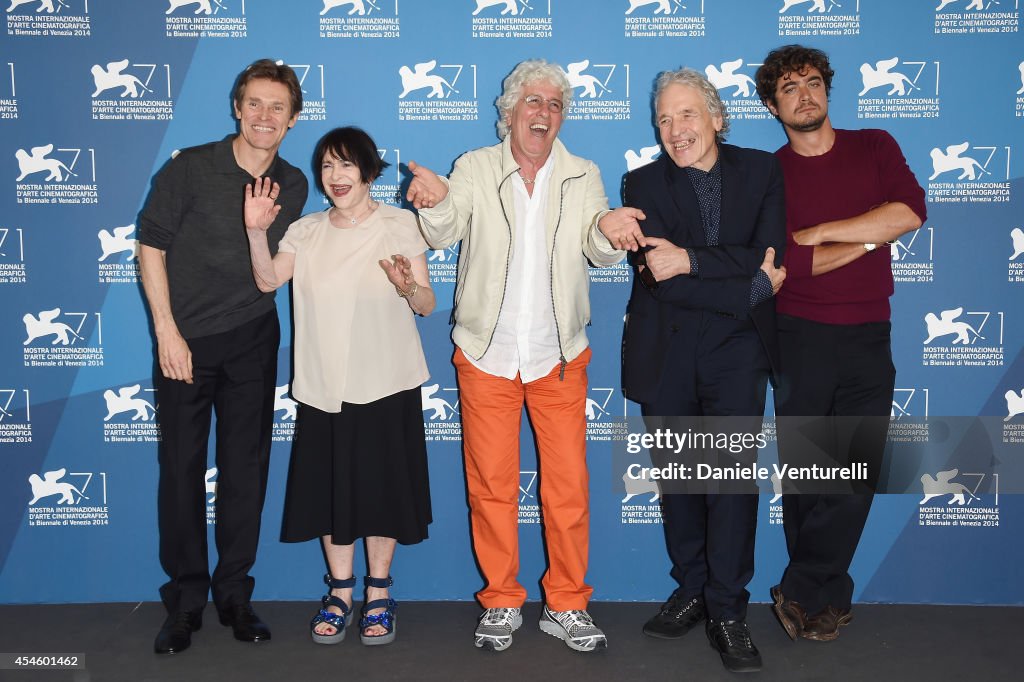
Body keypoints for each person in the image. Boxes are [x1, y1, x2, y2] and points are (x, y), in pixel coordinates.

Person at [406, 58, 643, 653]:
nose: (543, 113)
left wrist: (612, 232)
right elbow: (443, 230)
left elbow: (597, 244)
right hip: (487, 355)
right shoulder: (475, 167)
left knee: (567, 489)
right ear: (510, 111)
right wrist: (433, 202)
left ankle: (567, 602)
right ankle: (502, 599)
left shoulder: (582, 171)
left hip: (559, 357)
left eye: (555, 104)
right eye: (533, 102)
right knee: (491, 487)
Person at [754, 45, 926, 642]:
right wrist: (867, 236)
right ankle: (826, 601)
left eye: (811, 82)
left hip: (867, 334)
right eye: (788, 88)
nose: (804, 94)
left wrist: (826, 231)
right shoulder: (769, 172)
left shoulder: (874, 146)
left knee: (855, 468)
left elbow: (906, 214)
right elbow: (790, 264)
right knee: (806, 477)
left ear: (826, 88)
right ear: (773, 106)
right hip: (797, 335)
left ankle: (800, 587)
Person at [138, 59, 308, 655]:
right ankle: (185, 602)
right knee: (181, 469)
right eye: (255, 104)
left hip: (252, 339)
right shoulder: (190, 167)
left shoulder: (292, 184)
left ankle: (234, 593)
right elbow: (150, 246)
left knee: (246, 471)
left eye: (277, 108)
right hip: (185, 340)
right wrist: (167, 330)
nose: (264, 116)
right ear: (238, 107)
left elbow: (268, 279)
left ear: (292, 119)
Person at [620, 67, 786, 673]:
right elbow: (657, 280)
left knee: (731, 485)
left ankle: (728, 610)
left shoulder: (763, 170)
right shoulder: (640, 181)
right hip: (667, 349)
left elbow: (769, 256)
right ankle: (691, 590)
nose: (674, 128)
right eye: (663, 118)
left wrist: (692, 261)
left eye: (686, 114)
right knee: (682, 483)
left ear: (717, 117)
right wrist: (744, 288)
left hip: (737, 354)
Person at [245, 126, 435, 646]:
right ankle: (340, 592)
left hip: (387, 381)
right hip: (324, 384)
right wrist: (257, 232)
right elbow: (267, 281)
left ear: (369, 171)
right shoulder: (306, 230)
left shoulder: (399, 225)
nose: (336, 176)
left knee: (382, 491)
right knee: (331, 493)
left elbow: (426, 304)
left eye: (347, 165)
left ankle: (379, 593)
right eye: (327, 166)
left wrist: (407, 285)